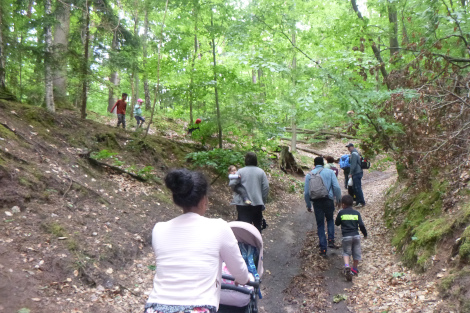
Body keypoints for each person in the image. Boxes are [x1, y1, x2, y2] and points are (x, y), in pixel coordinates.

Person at [145, 169, 250, 313]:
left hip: (155, 307)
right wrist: (242, 279)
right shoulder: (219, 227)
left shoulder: (159, 229)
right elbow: (240, 273)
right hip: (197, 308)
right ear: (203, 200)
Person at [304, 157, 342, 257]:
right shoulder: (330, 172)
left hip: (316, 202)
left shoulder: (309, 175)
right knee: (329, 220)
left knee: (320, 224)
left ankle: (323, 249)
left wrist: (308, 205)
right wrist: (338, 199)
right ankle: (331, 240)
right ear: (323, 163)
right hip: (328, 200)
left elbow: (306, 193)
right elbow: (337, 187)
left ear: (314, 163)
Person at [231, 152, 269, 233]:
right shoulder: (261, 172)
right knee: (257, 227)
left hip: (242, 204)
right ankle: (257, 244)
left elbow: (232, 183)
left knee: (244, 229)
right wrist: (262, 200)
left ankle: (245, 245)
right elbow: (266, 188)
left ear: (245, 161)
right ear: (256, 161)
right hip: (257, 204)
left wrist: (238, 189)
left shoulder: (240, 171)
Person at [335, 195, 368, 281]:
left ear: (343, 204)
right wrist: (365, 234)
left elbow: (337, 223)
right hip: (356, 236)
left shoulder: (341, 213)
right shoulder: (357, 213)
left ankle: (347, 266)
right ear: (352, 204)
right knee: (356, 253)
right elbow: (361, 225)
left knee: (346, 252)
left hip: (346, 236)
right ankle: (354, 269)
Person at [346, 143, 366, 207]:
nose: (348, 149)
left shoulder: (354, 154)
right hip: (358, 172)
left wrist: (350, 173)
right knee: (356, 187)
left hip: (357, 172)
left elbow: (353, 164)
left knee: (357, 188)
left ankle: (360, 202)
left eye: (349, 147)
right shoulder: (355, 153)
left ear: (352, 147)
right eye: (348, 147)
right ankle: (358, 201)